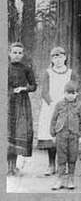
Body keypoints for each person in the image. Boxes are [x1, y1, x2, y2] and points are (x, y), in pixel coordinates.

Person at [37, 47, 76, 176]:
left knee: (65, 137)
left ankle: (62, 165)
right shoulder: (48, 72)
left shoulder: (70, 73)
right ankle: (51, 165)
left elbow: (74, 89)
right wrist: (53, 105)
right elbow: (44, 92)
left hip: (67, 107)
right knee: (51, 136)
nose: (57, 60)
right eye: (54, 57)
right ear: (51, 59)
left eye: (60, 56)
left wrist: (67, 104)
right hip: (51, 107)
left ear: (65, 58)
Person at [49, 81, 81, 190]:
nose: (70, 95)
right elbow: (53, 119)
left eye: (73, 93)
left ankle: (70, 178)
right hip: (61, 134)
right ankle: (60, 179)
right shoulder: (59, 104)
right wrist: (53, 134)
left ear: (77, 94)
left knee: (72, 157)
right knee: (61, 157)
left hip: (74, 135)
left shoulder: (80, 105)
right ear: (64, 93)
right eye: (68, 93)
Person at [7, 42, 37, 176]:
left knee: (19, 133)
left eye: (20, 53)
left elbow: (34, 86)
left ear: (23, 54)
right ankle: (8, 167)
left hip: (21, 105)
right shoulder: (5, 67)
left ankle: (14, 166)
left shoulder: (26, 68)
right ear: (9, 53)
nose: (17, 55)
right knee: (8, 133)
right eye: (14, 52)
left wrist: (24, 88)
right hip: (8, 104)